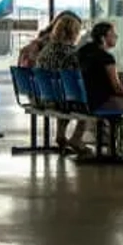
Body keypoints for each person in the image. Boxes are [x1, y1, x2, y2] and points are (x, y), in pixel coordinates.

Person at [34, 13, 88, 154]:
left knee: (64, 95)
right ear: (73, 33)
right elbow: (77, 77)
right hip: (59, 101)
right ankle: (76, 137)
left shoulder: (46, 50)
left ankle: (60, 135)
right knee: (87, 101)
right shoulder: (72, 54)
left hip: (42, 98)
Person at [77, 22, 123, 116]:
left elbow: (95, 76)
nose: (116, 36)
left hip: (82, 103)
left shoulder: (82, 52)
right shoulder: (106, 57)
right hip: (100, 104)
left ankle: (113, 129)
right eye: (113, 34)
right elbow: (117, 88)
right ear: (103, 38)